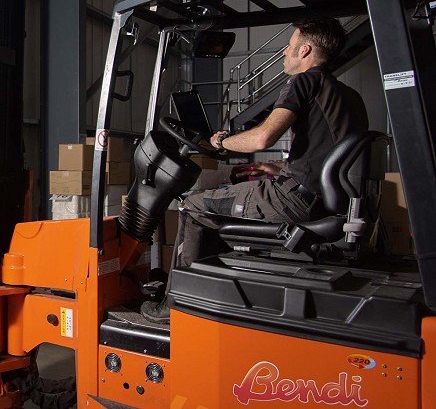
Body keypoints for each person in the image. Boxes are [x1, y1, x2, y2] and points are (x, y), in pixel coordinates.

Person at [143, 17, 369, 323]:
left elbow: (264, 136)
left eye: (289, 47)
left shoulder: (304, 81)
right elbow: (326, 155)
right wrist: (275, 167)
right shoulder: (349, 96)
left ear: (305, 50)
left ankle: (176, 305)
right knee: (220, 198)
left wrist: (223, 142)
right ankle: (215, 289)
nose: (285, 54)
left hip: (293, 201)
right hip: (323, 199)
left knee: (193, 206)